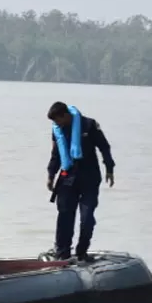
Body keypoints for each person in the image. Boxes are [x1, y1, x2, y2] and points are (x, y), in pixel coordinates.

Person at [46, 101, 115, 260]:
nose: (56, 124)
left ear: (65, 115)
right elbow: (56, 154)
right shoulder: (58, 130)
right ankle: (62, 253)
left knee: (87, 217)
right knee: (64, 216)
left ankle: (81, 252)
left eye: (57, 120)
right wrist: (50, 174)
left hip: (89, 178)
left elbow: (104, 147)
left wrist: (109, 168)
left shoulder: (89, 125)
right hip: (67, 178)